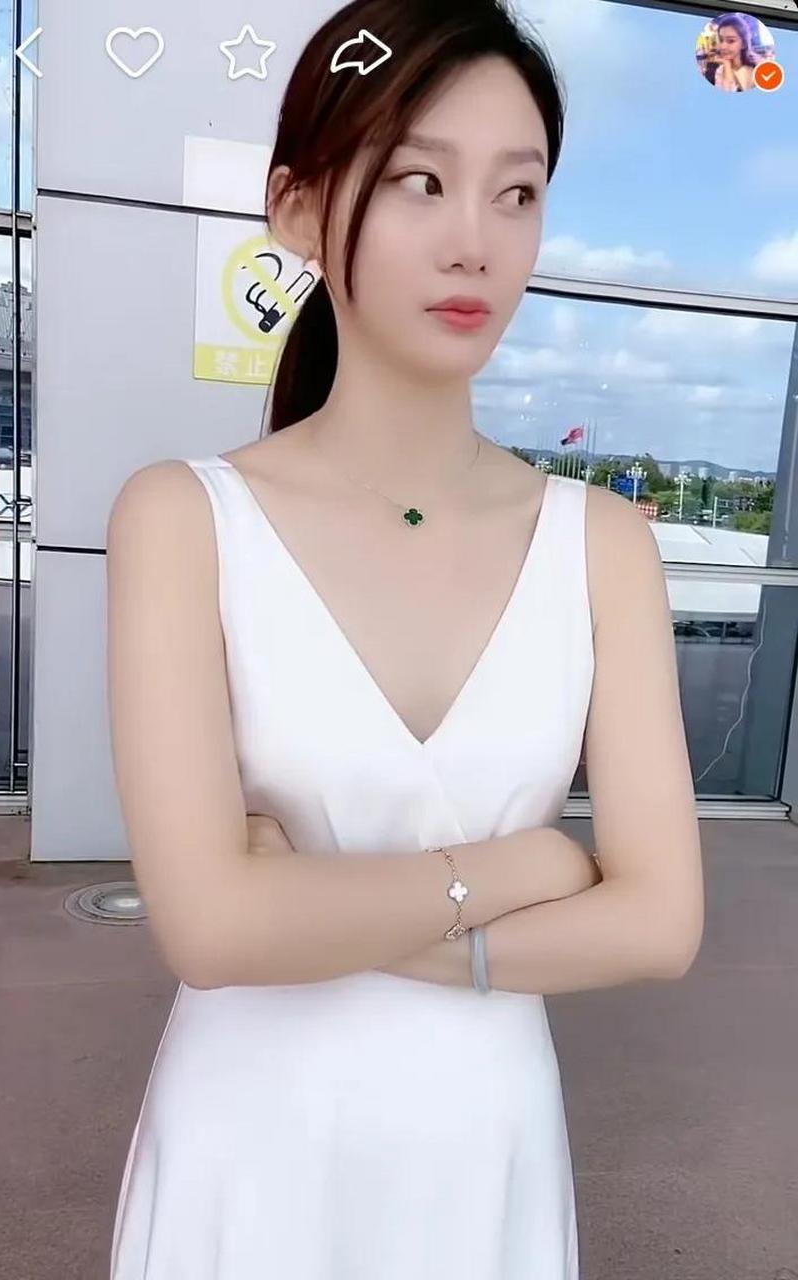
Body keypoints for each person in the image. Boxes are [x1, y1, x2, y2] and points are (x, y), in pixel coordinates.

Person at [106, 0, 704, 1276]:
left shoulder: (601, 543)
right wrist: (529, 862)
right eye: (420, 181)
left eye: (516, 193)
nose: (475, 241)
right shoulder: (184, 519)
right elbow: (209, 929)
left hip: (482, 1151)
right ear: (297, 207)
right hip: (246, 1151)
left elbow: (660, 923)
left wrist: (314, 912)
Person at [711, 13, 761, 91]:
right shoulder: (721, 70)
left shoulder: (757, 69)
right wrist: (727, 65)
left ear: (743, 44)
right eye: (721, 40)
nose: (723, 47)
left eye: (731, 41)